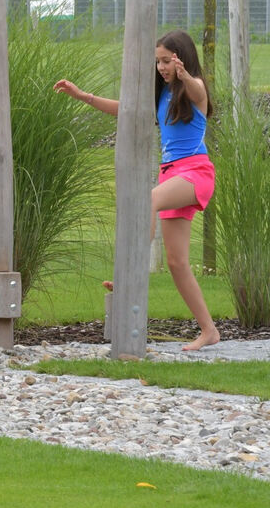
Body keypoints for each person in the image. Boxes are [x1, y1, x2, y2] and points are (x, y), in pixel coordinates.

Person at [53, 29, 220, 351]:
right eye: (158, 61)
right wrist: (83, 96)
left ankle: (130, 270)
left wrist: (186, 75)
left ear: (181, 58)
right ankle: (209, 330)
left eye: (167, 61)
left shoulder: (193, 91)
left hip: (195, 172)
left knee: (146, 201)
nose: (161, 67)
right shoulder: (160, 96)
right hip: (171, 175)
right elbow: (124, 109)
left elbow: (199, 89)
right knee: (177, 262)